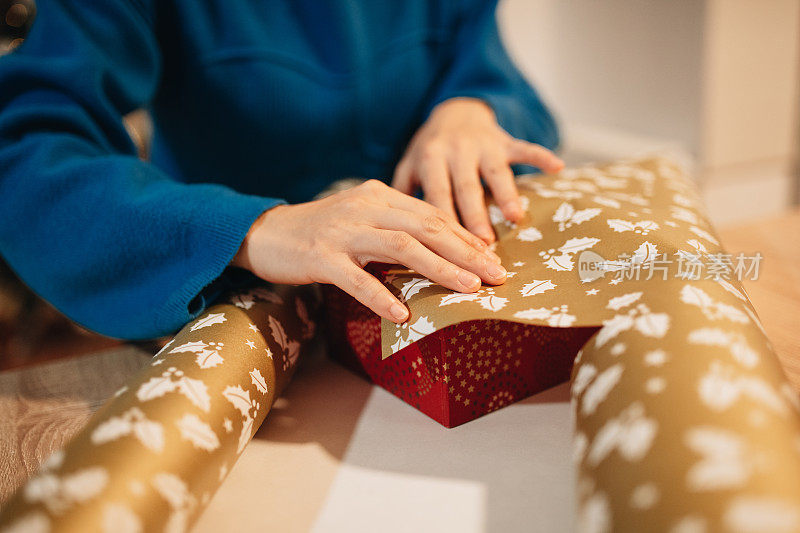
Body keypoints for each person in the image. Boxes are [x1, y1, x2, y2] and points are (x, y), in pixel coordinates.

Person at [0, 0, 562, 340]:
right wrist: (248, 228)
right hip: (229, 306)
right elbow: (25, 155)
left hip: (428, 317)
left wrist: (472, 108)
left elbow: (497, 79)